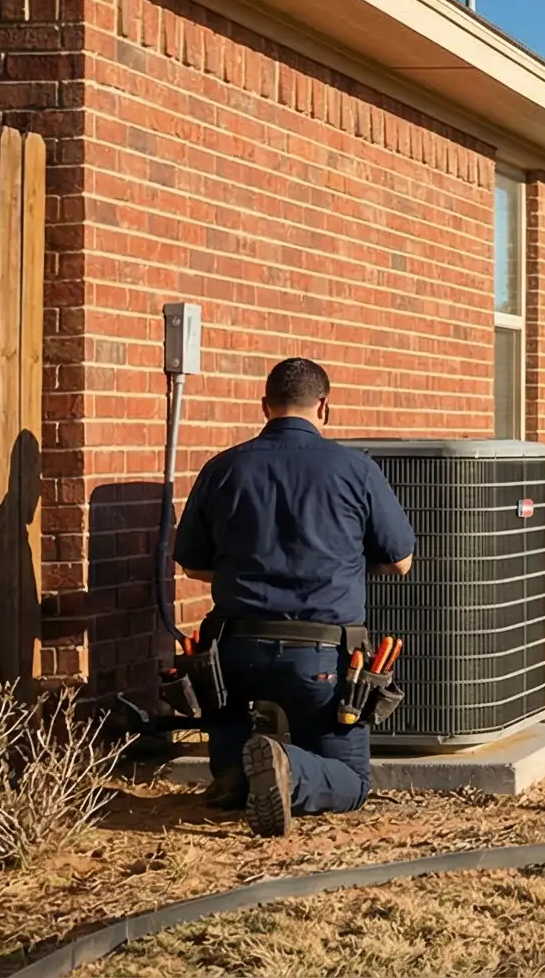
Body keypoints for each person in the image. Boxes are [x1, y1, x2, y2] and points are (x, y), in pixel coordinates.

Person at [174, 357, 416, 836]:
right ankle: (288, 767)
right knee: (350, 779)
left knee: (231, 749)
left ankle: (235, 776)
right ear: (324, 406)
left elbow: (191, 563)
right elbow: (401, 560)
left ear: (265, 406)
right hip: (322, 657)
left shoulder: (221, 468)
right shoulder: (356, 470)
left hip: (231, 657)